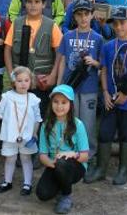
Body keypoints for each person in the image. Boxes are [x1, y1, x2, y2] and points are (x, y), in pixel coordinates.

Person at [85, 6, 127, 186]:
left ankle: (123, 170)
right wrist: (105, 92)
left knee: (126, 134)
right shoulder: (108, 47)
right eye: (115, 23)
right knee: (105, 133)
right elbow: (104, 70)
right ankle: (101, 169)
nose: (119, 27)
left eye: (122, 23)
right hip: (110, 100)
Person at [4, 0, 63, 116]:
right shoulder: (17, 23)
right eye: (30, 1)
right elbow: (7, 49)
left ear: (44, 4)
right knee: (19, 115)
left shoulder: (51, 25)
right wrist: (11, 75)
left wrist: (53, 76)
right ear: (25, 4)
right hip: (20, 81)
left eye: (37, 2)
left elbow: (60, 53)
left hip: (42, 82)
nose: (33, 5)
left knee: (40, 116)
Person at [56, 0, 103, 158]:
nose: (83, 18)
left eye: (86, 14)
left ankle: (88, 155)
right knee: (72, 121)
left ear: (92, 15)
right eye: (79, 15)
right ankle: (72, 152)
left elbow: (103, 64)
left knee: (88, 123)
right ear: (74, 17)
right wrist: (58, 86)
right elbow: (62, 61)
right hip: (70, 87)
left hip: (89, 88)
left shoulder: (97, 38)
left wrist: (94, 62)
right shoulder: (68, 36)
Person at [0, 66, 42, 196]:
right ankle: (7, 182)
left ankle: (27, 184)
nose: (23, 84)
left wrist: (35, 133)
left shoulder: (34, 99)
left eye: (26, 80)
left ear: (31, 82)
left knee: (26, 158)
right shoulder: (7, 97)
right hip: (10, 134)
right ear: (13, 82)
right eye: (19, 81)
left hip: (27, 136)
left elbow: (37, 119)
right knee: (10, 158)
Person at [36, 84, 90, 214]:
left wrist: (72, 154)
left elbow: (85, 156)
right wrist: (51, 163)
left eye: (64, 102)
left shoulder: (78, 125)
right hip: (55, 164)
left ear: (70, 104)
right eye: (56, 102)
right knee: (42, 194)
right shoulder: (46, 125)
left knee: (62, 164)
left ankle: (66, 195)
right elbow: (42, 155)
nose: (59, 106)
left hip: (75, 165)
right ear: (51, 103)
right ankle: (60, 184)